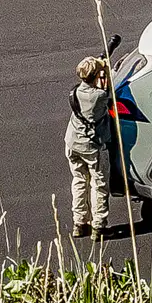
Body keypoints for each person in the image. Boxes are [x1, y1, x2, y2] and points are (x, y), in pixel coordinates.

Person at [65, 55, 114, 239]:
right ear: (96, 75)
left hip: (72, 142)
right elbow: (109, 92)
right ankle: (98, 226)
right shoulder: (99, 96)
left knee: (79, 181)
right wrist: (106, 71)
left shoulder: (75, 92)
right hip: (92, 146)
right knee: (98, 184)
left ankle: (79, 223)